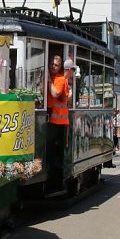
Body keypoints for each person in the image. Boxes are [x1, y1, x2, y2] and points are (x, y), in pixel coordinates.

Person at [45, 56, 73, 190]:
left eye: (55, 65)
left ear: (60, 67)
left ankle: (54, 180)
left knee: (53, 151)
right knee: (50, 150)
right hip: (52, 119)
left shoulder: (61, 80)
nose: (52, 67)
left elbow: (55, 94)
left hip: (58, 121)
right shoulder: (54, 78)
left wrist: (48, 81)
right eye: (51, 64)